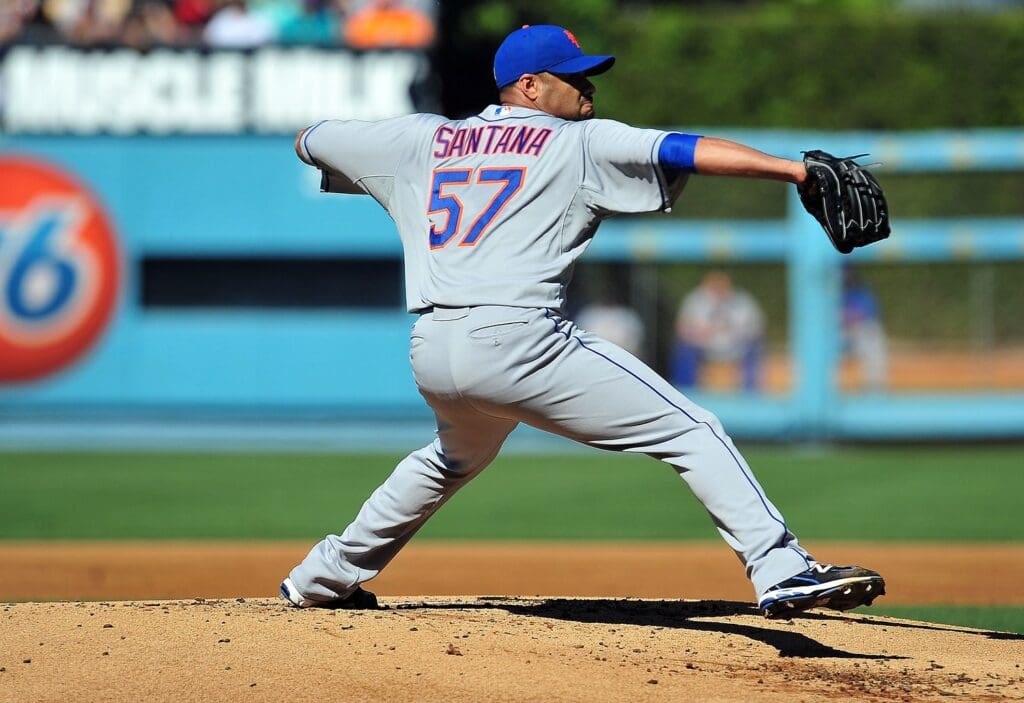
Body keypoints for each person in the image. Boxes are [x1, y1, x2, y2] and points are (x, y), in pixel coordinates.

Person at [280, 24, 885, 619]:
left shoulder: (423, 139)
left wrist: (410, 159)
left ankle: (323, 576)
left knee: (451, 458)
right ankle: (781, 568)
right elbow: (681, 148)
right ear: (531, 87)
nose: (588, 92)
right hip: (518, 340)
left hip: (433, 348)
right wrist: (798, 173)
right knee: (692, 429)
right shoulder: (578, 142)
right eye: (574, 78)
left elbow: (310, 139)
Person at [671, 271, 764, 392]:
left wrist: (737, 333)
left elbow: (757, 329)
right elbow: (681, 329)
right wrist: (699, 334)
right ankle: (686, 392)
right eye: (715, 285)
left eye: (722, 285)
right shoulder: (694, 301)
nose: (719, 288)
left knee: (753, 348)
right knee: (685, 349)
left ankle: (751, 394)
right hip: (703, 348)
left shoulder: (743, 302)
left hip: (736, 347)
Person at [842, 265, 888, 391]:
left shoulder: (861, 291)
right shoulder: (825, 293)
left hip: (858, 333)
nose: (845, 275)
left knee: (872, 335)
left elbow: (871, 314)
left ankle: (875, 388)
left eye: (847, 272)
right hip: (837, 334)